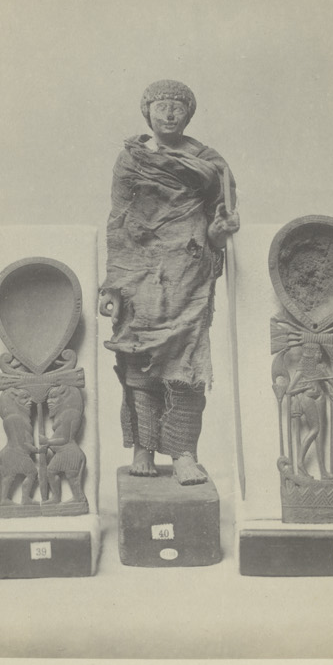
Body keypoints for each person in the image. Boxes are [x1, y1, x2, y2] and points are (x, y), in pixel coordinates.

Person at [96, 79, 238, 488]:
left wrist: (220, 232)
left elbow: (218, 222)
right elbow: (118, 222)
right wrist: (112, 285)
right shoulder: (131, 159)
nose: (171, 113)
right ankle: (143, 447)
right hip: (138, 271)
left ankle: (183, 453)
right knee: (138, 358)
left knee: (186, 363)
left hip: (188, 274)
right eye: (162, 106)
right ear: (148, 112)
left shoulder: (209, 162)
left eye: (179, 106)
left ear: (189, 113)